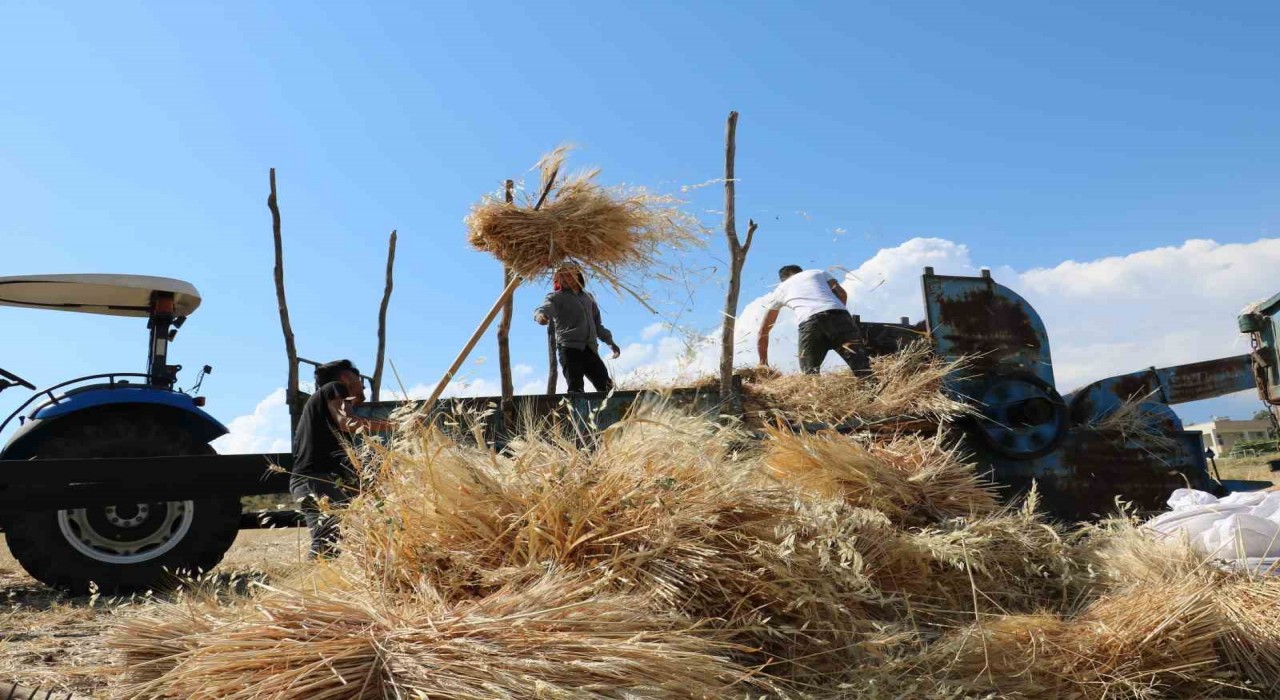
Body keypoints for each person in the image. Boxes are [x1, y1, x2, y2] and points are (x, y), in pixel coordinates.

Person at [289, 359, 393, 559]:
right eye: (358, 379)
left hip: (312, 479)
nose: (362, 385)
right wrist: (395, 424)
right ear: (345, 378)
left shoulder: (320, 404)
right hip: (318, 479)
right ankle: (312, 586)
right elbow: (348, 422)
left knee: (333, 537)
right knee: (327, 539)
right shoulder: (335, 387)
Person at [757, 265, 871, 376]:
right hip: (839, 314)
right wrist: (839, 318)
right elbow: (841, 293)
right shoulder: (818, 272)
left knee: (810, 374)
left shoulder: (781, 289)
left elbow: (763, 331)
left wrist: (763, 362)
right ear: (801, 271)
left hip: (810, 323)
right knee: (862, 367)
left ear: (782, 280)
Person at [534, 265, 621, 394]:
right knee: (576, 387)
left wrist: (610, 342)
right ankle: (576, 412)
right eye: (563, 275)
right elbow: (542, 310)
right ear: (558, 279)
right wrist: (540, 317)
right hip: (569, 348)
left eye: (571, 274)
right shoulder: (556, 297)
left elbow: (597, 325)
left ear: (578, 276)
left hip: (590, 348)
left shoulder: (588, 298)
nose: (567, 277)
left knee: (606, 386)